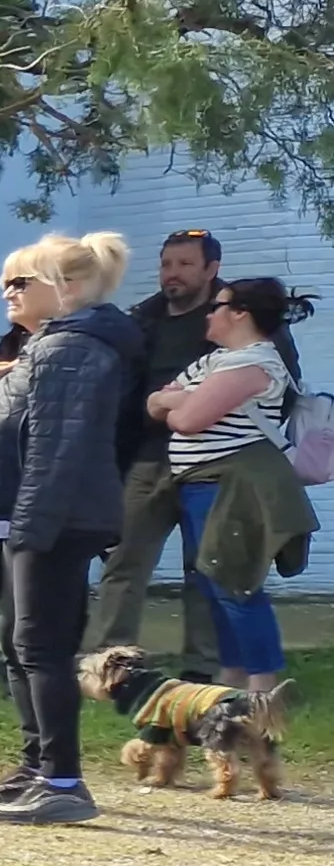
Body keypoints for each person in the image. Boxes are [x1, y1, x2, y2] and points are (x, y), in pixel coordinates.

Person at [0, 233, 140, 824]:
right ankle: (38, 766)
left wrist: (33, 528)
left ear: (69, 289)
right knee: (18, 641)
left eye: (21, 281)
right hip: (33, 515)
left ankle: (62, 780)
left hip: (54, 518)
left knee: (41, 646)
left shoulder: (71, 351)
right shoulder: (47, 348)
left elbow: (58, 451)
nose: (7, 291)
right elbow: (12, 438)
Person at [152, 278, 315, 696]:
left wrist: (179, 403)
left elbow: (185, 420)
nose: (209, 314)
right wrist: (179, 402)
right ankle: (233, 683)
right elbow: (154, 401)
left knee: (235, 585)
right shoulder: (218, 361)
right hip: (198, 486)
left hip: (229, 487)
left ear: (240, 312)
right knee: (214, 584)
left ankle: (262, 692)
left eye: (217, 306)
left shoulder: (253, 364)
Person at [87, 231, 229, 676]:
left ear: (211, 270)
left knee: (206, 567)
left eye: (185, 264)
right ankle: (112, 664)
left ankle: (201, 668)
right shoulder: (141, 320)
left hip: (213, 461)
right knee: (124, 561)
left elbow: (276, 380)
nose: (173, 273)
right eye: (167, 264)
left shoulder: (233, 319)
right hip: (150, 459)